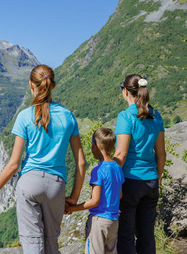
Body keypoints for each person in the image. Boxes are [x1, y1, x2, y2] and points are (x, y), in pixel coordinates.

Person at [0, 64, 86, 254]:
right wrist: (73, 197)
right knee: (52, 242)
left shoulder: (25, 116)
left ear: (31, 85)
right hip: (56, 185)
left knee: (32, 244)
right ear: (53, 85)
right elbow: (81, 162)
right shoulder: (68, 116)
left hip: (29, 183)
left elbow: (13, 164)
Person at [114, 74, 166, 254]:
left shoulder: (125, 117)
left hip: (130, 181)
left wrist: (112, 180)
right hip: (151, 181)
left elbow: (120, 154)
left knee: (125, 235)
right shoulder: (155, 115)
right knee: (146, 236)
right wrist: (157, 180)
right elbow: (161, 153)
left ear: (125, 91)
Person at [65, 127, 125, 254]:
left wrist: (71, 209)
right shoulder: (118, 168)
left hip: (98, 222)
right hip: (113, 221)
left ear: (94, 147)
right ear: (113, 148)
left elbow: (94, 201)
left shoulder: (98, 171)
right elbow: (119, 195)